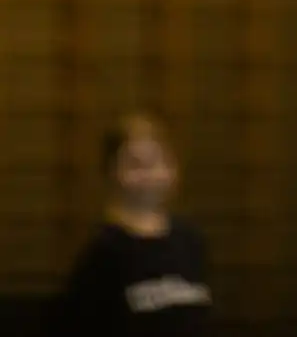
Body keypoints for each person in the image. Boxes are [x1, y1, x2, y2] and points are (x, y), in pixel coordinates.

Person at [51, 113, 211, 335]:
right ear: (112, 172)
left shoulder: (191, 241)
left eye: (157, 163)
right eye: (135, 165)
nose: (149, 175)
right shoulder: (103, 251)